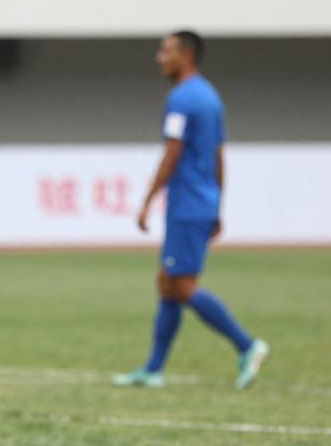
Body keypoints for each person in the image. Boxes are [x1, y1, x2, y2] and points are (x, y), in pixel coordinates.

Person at [115, 31, 269, 389]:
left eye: (166, 51)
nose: (160, 57)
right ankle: (153, 369)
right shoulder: (210, 97)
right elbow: (218, 154)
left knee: (182, 286)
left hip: (186, 204)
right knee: (167, 282)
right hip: (203, 201)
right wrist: (217, 204)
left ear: (186, 55)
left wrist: (148, 200)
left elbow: (173, 152)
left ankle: (247, 345)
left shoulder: (182, 98)